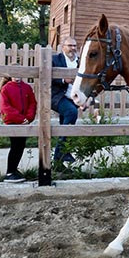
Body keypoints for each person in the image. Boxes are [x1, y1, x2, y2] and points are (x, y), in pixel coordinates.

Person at [0, 66, 37, 183]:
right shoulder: (6, 88)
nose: (17, 77)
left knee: (21, 146)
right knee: (15, 146)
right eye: (15, 75)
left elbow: (32, 103)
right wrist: (20, 118)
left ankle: (14, 169)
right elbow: (5, 107)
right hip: (13, 122)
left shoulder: (27, 87)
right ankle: (10, 172)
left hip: (24, 122)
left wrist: (28, 118)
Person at [51, 36, 79, 164]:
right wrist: (63, 80)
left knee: (66, 124)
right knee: (71, 112)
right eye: (70, 45)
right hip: (57, 96)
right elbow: (47, 76)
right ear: (63, 47)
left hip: (73, 98)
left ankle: (60, 162)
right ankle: (60, 153)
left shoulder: (80, 61)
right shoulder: (55, 60)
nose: (73, 48)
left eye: (74, 45)